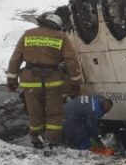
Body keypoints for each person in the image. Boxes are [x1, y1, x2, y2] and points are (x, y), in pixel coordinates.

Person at [6, 13, 82, 149]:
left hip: (30, 81)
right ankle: (51, 141)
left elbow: (16, 58)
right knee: (54, 113)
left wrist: (11, 79)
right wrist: (75, 82)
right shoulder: (61, 37)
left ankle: (36, 139)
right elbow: (71, 61)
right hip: (52, 81)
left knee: (35, 112)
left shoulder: (28, 34)